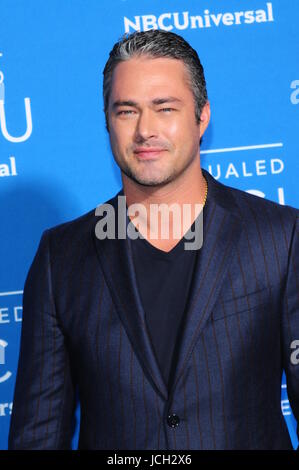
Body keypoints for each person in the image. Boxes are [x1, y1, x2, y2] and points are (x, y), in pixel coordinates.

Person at [8, 29, 299, 450]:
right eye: (126, 111)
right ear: (107, 122)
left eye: (164, 108)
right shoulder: (62, 258)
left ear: (202, 117)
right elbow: (38, 433)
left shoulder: (280, 239)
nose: (145, 130)